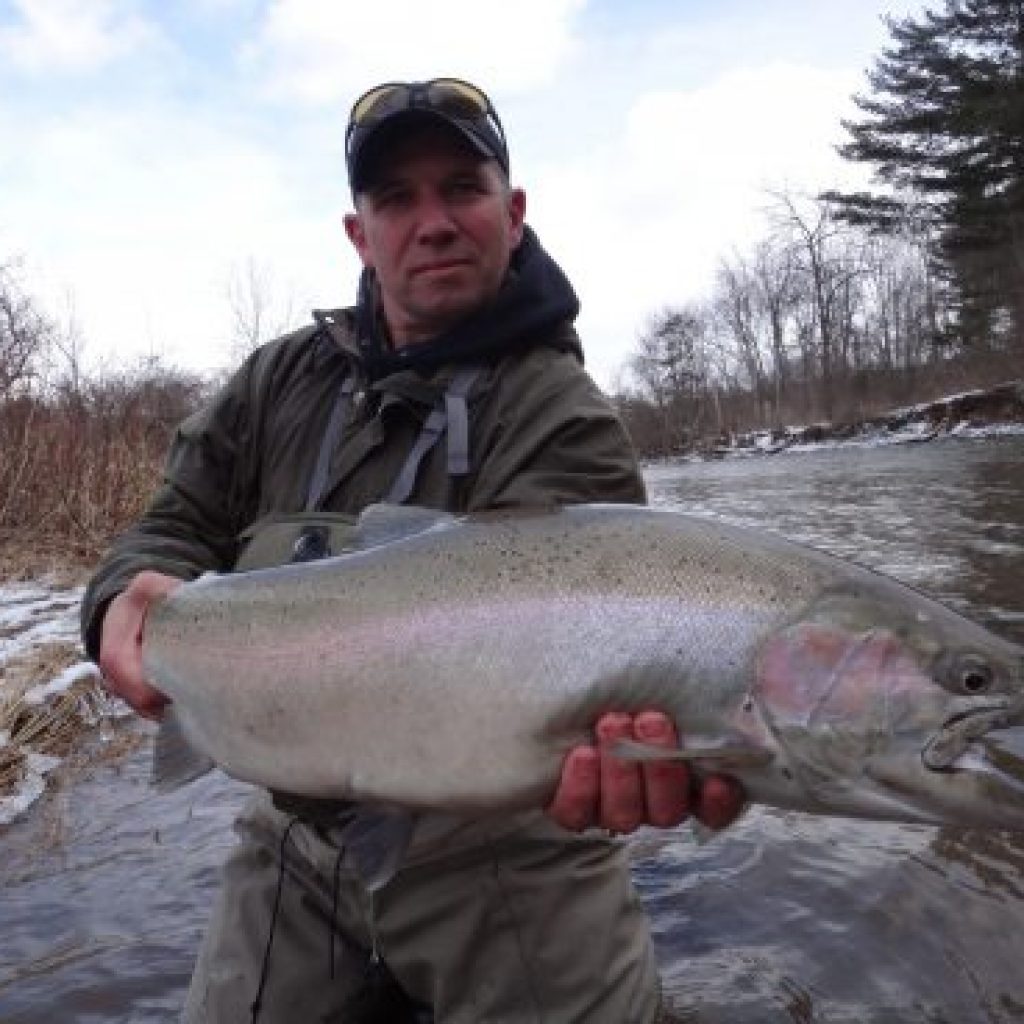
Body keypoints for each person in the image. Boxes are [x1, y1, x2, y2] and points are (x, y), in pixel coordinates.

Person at [83, 77, 744, 1023]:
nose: (431, 222)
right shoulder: (279, 381)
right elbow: (172, 523)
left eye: (462, 190)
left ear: (512, 215)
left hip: (508, 854)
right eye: (397, 199)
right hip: (292, 841)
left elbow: (580, 682)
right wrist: (120, 599)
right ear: (360, 233)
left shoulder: (562, 417)